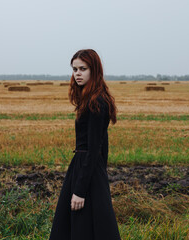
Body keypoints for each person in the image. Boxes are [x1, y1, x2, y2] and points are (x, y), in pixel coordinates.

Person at [49, 49, 121, 240]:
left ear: (94, 70)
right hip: (86, 167)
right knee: (83, 225)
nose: (77, 73)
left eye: (83, 68)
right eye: (74, 69)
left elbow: (95, 147)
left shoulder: (97, 102)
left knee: (82, 225)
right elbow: (102, 145)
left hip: (87, 166)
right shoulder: (90, 99)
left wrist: (80, 190)